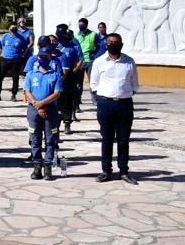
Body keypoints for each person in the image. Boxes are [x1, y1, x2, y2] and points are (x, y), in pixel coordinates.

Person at [90, 32, 139, 185]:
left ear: (121, 44)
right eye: (111, 42)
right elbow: (94, 84)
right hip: (106, 104)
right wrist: (104, 99)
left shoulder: (129, 61)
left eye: (117, 42)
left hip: (125, 104)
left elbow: (134, 84)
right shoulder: (99, 62)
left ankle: (123, 171)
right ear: (106, 44)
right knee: (107, 139)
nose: (114, 45)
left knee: (124, 140)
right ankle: (106, 171)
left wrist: (124, 94)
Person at [24, 46, 64, 181]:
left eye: (46, 57)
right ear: (38, 58)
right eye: (41, 57)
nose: (43, 59)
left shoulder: (55, 75)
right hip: (33, 110)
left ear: (50, 58)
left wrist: (43, 103)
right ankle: (37, 167)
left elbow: (57, 93)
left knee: (50, 139)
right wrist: (37, 105)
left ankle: (48, 167)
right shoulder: (31, 74)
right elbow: (27, 92)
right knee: (34, 138)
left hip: (50, 110)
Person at [55, 24, 84, 134]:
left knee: (68, 100)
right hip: (56, 78)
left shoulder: (73, 46)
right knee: (57, 101)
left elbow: (79, 60)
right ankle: (55, 124)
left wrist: (73, 72)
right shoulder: (54, 46)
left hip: (69, 78)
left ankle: (67, 123)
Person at [0, 24, 27, 100]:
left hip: (16, 59)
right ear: (9, 28)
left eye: (14, 27)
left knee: (15, 78)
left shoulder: (21, 38)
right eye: (12, 27)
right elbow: (2, 46)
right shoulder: (5, 36)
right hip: (5, 59)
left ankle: (14, 95)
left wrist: (23, 55)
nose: (13, 29)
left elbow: (25, 48)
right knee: (0, 77)